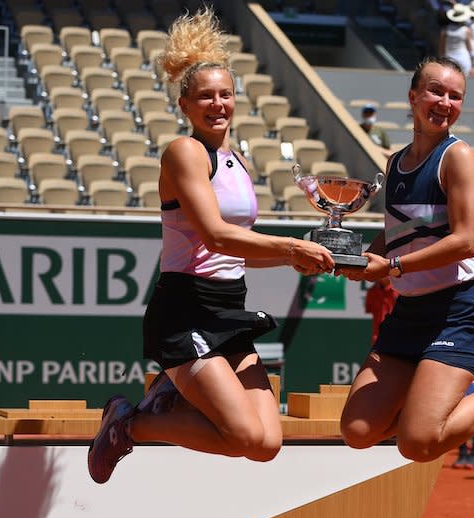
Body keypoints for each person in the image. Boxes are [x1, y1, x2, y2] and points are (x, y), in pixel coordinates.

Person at [87, 8, 335, 484]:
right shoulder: (183, 152)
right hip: (185, 311)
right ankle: (129, 423)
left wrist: (298, 259)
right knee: (242, 435)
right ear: (185, 106)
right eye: (205, 97)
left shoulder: (237, 159)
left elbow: (236, 252)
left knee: (265, 445)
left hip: (229, 308)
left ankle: (166, 399)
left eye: (226, 94)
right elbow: (214, 234)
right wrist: (289, 249)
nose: (218, 104)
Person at [335, 57, 474, 466]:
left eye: (455, 96)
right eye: (435, 91)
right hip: (409, 314)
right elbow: (397, 229)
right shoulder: (396, 163)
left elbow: (464, 241)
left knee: (418, 443)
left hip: (458, 311)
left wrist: (392, 268)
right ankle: (463, 391)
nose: (444, 102)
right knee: (357, 430)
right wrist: (360, 259)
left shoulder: (458, 157)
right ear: (413, 97)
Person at [439, 4, 474, 77]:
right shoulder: (466, 30)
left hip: (449, 58)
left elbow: (442, 49)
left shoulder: (445, 30)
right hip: (463, 59)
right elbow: (470, 48)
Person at [365, 276, 398, 345]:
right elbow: (369, 311)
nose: (382, 276)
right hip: (377, 337)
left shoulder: (399, 291)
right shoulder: (371, 292)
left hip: (396, 336)